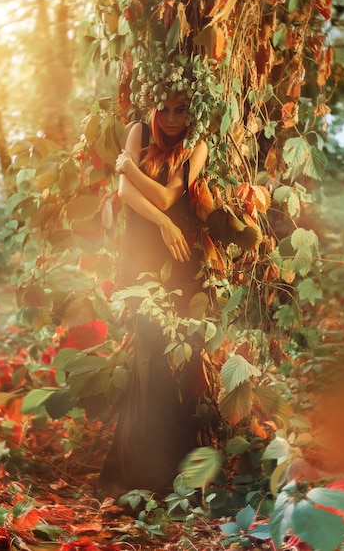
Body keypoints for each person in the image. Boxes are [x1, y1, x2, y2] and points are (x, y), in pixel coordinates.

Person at [98, 55, 217, 497]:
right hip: (139, 257)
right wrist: (161, 218)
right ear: (152, 106)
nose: (169, 119)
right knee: (148, 357)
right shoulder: (138, 131)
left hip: (179, 262)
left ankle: (174, 478)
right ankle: (142, 476)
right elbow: (125, 193)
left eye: (180, 109)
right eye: (163, 108)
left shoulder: (198, 145)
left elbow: (169, 196)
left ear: (192, 110)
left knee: (175, 361)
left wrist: (132, 172)